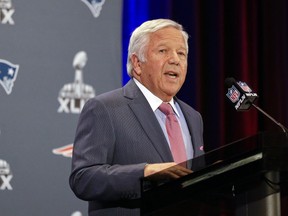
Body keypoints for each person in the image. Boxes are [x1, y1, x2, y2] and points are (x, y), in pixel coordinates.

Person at [69, 18, 204, 216]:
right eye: (163, 51)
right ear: (137, 63)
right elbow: (83, 178)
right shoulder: (105, 108)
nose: (175, 59)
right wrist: (144, 173)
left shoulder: (193, 117)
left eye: (181, 53)